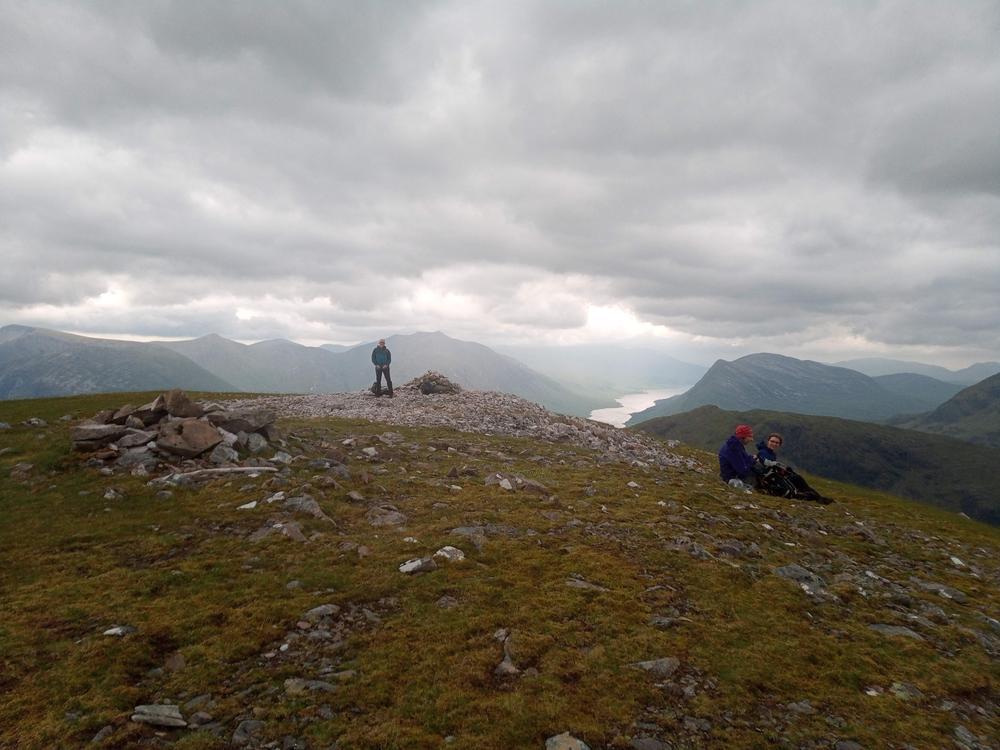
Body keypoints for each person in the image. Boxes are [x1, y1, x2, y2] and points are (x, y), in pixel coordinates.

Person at [718, 424, 761, 489]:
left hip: (732, 475)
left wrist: (751, 458)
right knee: (758, 475)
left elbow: (744, 459)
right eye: (749, 437)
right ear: (742, 437)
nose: (751, 439)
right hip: (733, 478)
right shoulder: (734, 449)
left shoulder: (735, 444)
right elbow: (743, 471)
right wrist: (753, 461)